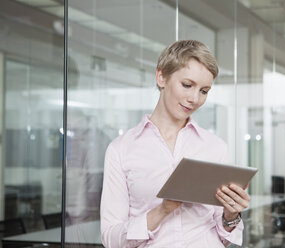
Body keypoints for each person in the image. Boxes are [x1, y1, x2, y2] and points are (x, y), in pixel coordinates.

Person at [100, 40, 251, 248]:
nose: (194, 99)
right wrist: (161, 211)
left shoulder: (215, 147)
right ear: (161, 77)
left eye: (204, 91)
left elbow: (225, 236)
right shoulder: (121, 149)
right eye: (187, 85)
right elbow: (110, 239)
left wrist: (231, 214)